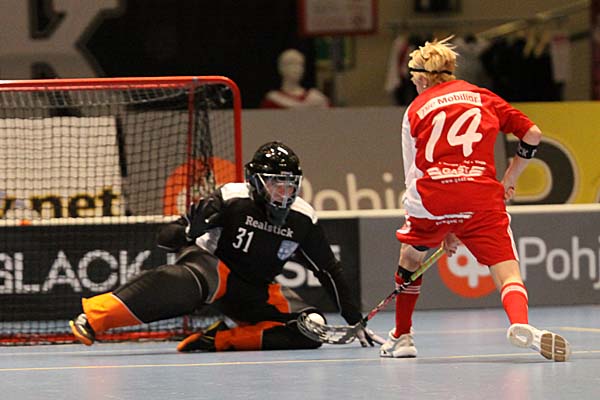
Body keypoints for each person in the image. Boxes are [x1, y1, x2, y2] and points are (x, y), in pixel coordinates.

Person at [70, 141, 383, 351]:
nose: (283, 193)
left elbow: (329, 270)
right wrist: (189, 232)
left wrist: (354, 320)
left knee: (312, 329)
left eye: (289, 185)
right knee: (176, 282)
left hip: (256, 290)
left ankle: (218, 340)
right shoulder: (231, 198)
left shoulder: (303, 218)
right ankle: (94, 318)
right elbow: (165, 239)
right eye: (274, 183)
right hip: (212, 271)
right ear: (255, 181)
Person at [379, 36, 571, 362]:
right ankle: (521, 323)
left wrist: (442, 225)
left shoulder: (415, 110)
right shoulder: (483, 97)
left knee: (410, 258)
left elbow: (414, 173)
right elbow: (532, 134)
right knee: (507, 272)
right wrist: (509, 180)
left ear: (423, 79)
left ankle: (403, 336)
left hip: (433, 198)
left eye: (414, 80)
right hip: (481, 197)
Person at [261, 49, 330, 109]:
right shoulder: (272, 100)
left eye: (300, 64)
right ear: (281, 68)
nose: (297, 68)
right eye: (291, 64)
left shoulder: (316, 99)